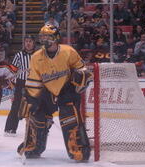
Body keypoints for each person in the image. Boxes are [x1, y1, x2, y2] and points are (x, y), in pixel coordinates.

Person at [17, 24, 92, 161]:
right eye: (42, 36)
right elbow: (34, 81)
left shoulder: (68, 51)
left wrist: (80, 77)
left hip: (67, 89)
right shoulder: (36, 57)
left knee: (69, 117)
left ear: (56, 38)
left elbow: (83, 70)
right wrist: (30, 99)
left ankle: (79, 148)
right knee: (37, 115)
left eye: (47, 36)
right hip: (47, 90)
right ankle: (34, 146)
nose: (44, 39)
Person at [4, 35, 36, 136]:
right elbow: (12, 70)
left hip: (35, 82)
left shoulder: (39, 55)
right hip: (21, 82)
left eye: (30, 41)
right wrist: (7, 79)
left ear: (33, 43)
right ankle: (10, 128)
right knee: (16, 105)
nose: (28, 43)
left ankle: (38, 127)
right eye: (26, 41)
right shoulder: (19, 55)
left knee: (36, 106)